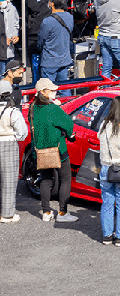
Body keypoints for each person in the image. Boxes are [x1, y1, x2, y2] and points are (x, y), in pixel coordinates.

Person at [29, 79, 75, 222]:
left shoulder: (33, 108)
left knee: (46, 179)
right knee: (65, 179)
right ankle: (62, 213)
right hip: (58, 150)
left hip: (40, 151)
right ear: (43, 92)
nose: (54, 92)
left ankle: (46, 212)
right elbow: (68, 124)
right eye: (51, 90)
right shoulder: (53, 109)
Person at [0, 72, 26, 223]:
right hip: (8, 142)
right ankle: (7, 214)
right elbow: (22, 133)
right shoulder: (12, 111)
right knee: (9, 180)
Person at [37, 0, 74, 83]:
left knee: (48, 91)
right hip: (65, 59)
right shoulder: (70, 17)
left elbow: (41, 41)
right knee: (64, 89)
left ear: (51, 4)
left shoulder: (47, 21)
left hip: (50, 61)